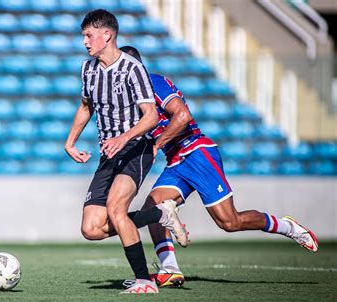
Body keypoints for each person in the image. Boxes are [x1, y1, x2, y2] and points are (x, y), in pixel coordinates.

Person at [117, 45, 319, 288]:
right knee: (153, 209)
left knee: (229, 223)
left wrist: (156, 145)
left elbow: (183, 116)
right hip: (176, 160)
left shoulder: (154, 84)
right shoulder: (131, 98)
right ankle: (170, 269)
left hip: (196, 153)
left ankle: (287, 226)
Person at [64, 9, 186, 294]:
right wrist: (70, 142)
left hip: (135, 149)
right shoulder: (88, 69)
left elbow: (151, 116)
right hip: (109, 154)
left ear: (107, 35)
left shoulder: (133, 68)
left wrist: (125, 136)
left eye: (88, 35)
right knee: (92, 229)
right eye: (84, 36)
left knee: (116, 209)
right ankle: (157, 215)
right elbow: (85, 107)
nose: (85, 41)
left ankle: (145, 280)